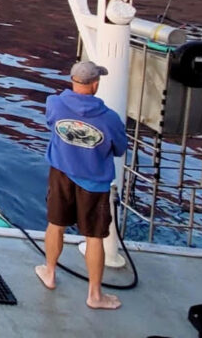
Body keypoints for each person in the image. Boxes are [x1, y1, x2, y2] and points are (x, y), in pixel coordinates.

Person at [35, 60, 127, 310]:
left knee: (55, 224)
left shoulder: (54, 104)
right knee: (94, 236)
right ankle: (95, 295)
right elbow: (119, 149)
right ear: (95, 84)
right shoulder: (110, 119)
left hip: (60, 174)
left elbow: (51, 124)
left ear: (73, 81)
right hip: (94, 184)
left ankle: (50, 272)